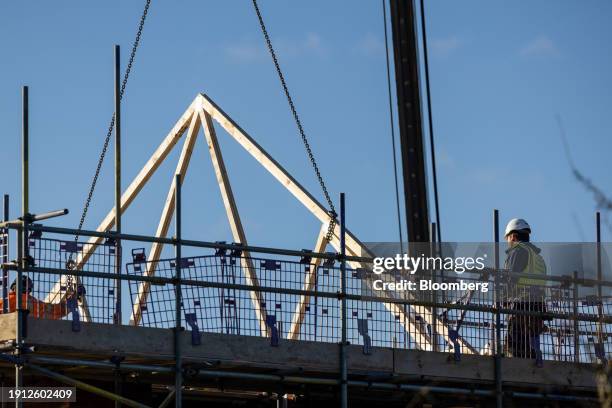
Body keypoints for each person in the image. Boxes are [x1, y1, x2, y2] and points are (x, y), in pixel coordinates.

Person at [503, 218, 548, 359]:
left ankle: (520, 365)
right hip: (537, 306)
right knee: (530, 340)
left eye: (508, 239)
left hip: (521, 304)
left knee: (514, 343)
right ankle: (534, 360)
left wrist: (503, 298)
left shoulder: (518, 251)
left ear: (513, 236)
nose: (508, 243)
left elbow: (510, 279)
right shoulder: (538, 258)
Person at [0, 275, 78, 319]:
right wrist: (70, 304)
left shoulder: (4, 301)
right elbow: (51, 311)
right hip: (21, 337)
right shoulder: (27, 301)